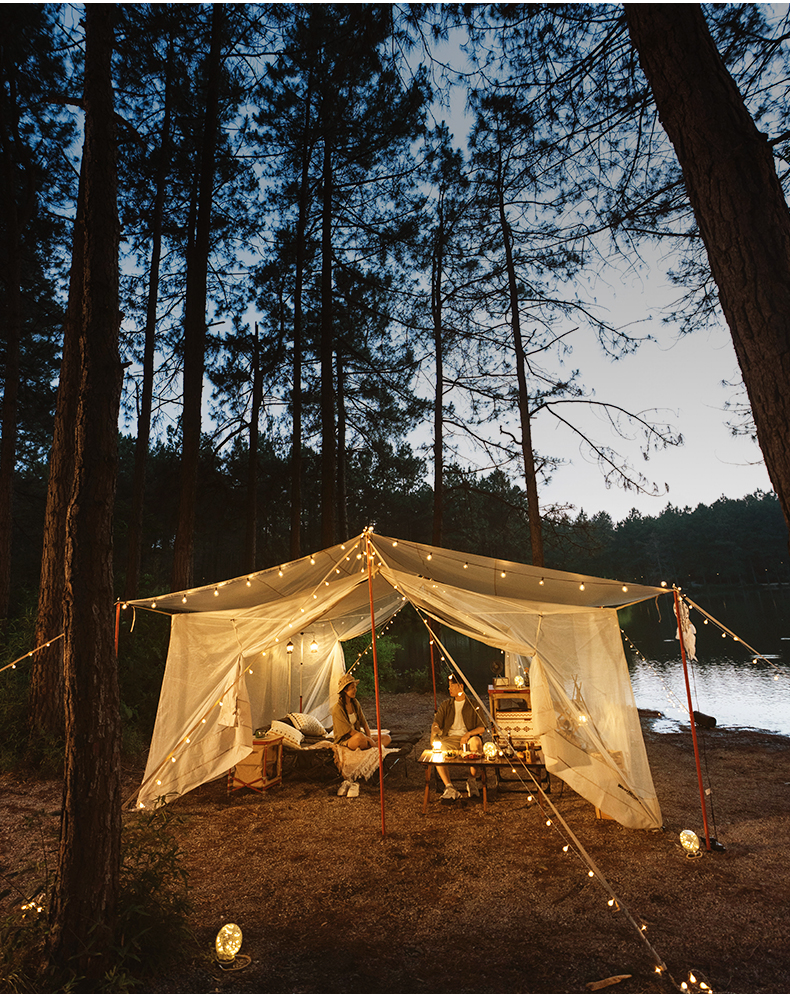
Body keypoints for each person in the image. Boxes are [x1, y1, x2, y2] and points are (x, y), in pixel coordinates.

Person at [332, 672, 391, 797]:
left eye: (355, 687)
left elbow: (364, 722)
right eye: (352, 687)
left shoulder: (355, 703)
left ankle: (371, 745)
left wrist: (369, 737)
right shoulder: (337, 708)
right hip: (347, 739)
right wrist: (368, 740)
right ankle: (374, 747)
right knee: (360, 737)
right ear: (345, 690)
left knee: (386, 738)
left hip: (360, 736)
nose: (355, 690)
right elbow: (349, 730)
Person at [431, 674, 486, 801]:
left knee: (476, 742)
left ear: (461, 686)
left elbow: (482, 727)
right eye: (449, 686)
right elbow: (436, 723)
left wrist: (468, 734)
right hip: (449, 739)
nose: (449, 689)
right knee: (438, 751)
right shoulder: (446, 705)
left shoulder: (473, 705)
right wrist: (435, 730)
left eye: (452, 686)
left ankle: (471, 781)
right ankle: (449, 786)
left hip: (468, 739)